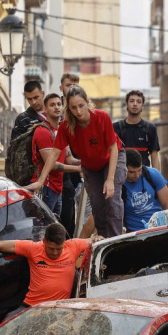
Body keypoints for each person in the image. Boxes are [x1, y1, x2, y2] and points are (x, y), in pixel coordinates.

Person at [0, 222, 101, 321]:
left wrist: (98, 239)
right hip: (31, 307)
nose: (55, 253)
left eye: (59, 249)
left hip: (58, 311)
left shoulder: (72, 246)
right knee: (4, 330)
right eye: (51, 249)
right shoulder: (33, 248)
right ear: (44, 242)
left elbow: (97, 241)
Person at [47, 85, 127, 238]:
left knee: (111, 197)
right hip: (91, 166)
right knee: (97, 205)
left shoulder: (101, 117)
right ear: (68, 109)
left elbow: (113, 149)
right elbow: (54, 154)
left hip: (112, 158)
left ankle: (116, 238)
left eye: (81, 106)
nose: (78, 111)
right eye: (73, 107)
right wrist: (41, 180)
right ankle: (105, 239)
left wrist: (109, 179)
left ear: (87, 102)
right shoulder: (66, 125)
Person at [22, 93, 80, 218]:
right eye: (52, 105)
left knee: (53, 229)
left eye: (59, 104)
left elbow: (69, 159)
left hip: (57, 189)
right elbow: (52, 164)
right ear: (45, 109)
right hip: (44, 188)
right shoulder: (42, 131)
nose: (57, 107)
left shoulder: (61, 131)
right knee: (41, 228)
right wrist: (79, 169)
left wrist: (85, 163)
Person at [122, 149, 168, 231]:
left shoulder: (153, 174)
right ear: (123, 169)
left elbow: (167, 206)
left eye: (139, 170)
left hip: (158, 229)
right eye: (132, 172)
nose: (137, 175)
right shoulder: (119, 185)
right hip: (134, 233)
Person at [59, 73, 82, 236]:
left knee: (77, 219)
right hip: (60, 175)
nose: (72, 88)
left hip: (79, 172)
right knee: (63, 218)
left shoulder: (82, 111)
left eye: (75, 85)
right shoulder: (55, 108)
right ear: (61, 88)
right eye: (68, 85)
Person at [114, 90, 160, 168]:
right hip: (121, 175)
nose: (135, 104)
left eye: (138, 102)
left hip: (143, 174)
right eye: (132, 101)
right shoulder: (115, 127)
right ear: (126, 104)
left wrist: (157, 178)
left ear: (142, 106)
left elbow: (154, 156)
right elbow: (111, 154)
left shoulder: (150, 128)